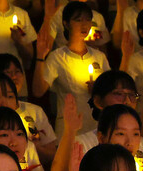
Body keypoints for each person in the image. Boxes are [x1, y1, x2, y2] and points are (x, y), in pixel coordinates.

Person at [33, 1, 111, 134]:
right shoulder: (57, 57)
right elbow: (38, 91)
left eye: (88, 20)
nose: (84, 24)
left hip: (95, 128)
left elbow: (111, 93)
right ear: (66, 23)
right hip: (68, 129)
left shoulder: (99, 57)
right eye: (78, 20)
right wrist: (40, 57)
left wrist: (98, 91)